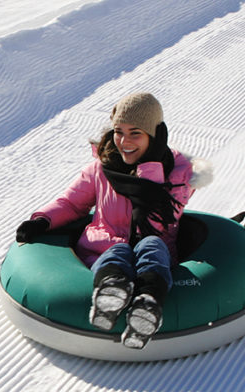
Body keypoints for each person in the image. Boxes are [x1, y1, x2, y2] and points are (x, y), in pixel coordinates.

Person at [13, 93, 209, 349]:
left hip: (155, 255)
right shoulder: (101, 168)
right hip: (102, 248)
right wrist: (42, 221)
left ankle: (147, 306)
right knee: (117, 250)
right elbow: (72, 203)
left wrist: (149, 168)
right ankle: (110, 295)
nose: (124, 142)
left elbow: (158, 221)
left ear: (155, 136)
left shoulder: (179, 174)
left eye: (135, 133)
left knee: (151, 244)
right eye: (119, 131)